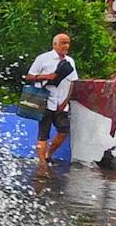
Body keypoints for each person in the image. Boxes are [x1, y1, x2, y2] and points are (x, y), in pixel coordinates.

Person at [24, 32, 77, 175]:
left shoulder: (70, 61)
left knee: (63, 130)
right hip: (45, 102)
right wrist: (47, 76)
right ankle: (42, 164)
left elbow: (72, 82)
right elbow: (29, 76)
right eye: (63, 43)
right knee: (43, 135)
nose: (66, 46)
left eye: (68, 43)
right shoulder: (43, 59)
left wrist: (66, 101)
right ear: (55, 44)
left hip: (61, 103)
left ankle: (48, 154)